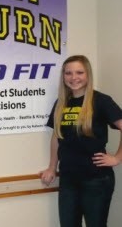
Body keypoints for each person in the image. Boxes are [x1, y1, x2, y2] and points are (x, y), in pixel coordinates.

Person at [39, 55, 122, 227]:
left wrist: (117, 158)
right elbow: (57, 136)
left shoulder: (101, 101)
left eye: (79, 72)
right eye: (68, 73)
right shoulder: (61, 103)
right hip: (69, 179)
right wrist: (51, 167)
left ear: (88, 75)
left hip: (96, 180)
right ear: (63, 76)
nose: (73, 77)